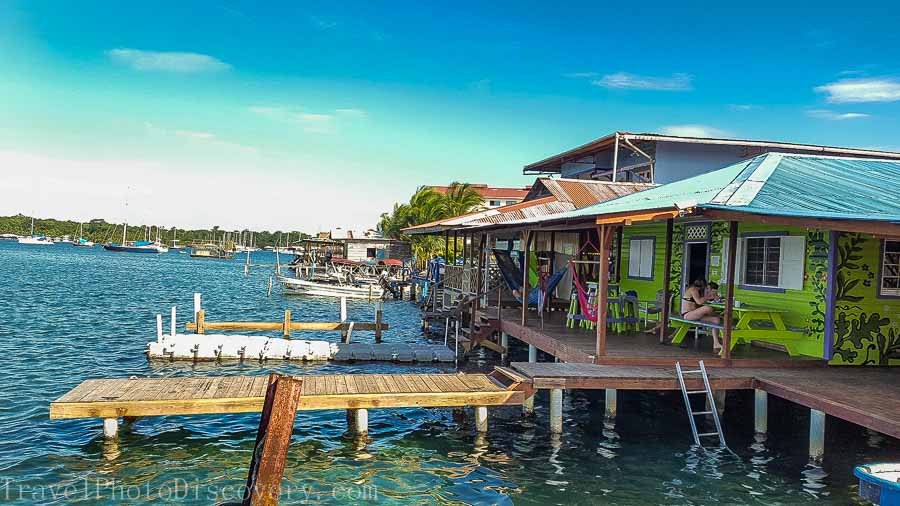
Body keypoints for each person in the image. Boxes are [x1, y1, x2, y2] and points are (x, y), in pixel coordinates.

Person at [681, 278, 723, 354]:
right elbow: (699, 302)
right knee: (708, 308)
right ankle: (719, 315)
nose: (706, 288)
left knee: (716, 320)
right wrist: (709, 297)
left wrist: (710, 297)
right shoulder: (693, 290)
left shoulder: (696, 290)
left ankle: (716, 343)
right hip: (688, 314)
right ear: (703, 285)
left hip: (694, 314)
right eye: (706, 286)